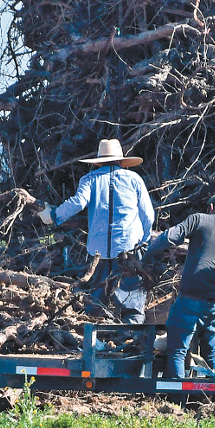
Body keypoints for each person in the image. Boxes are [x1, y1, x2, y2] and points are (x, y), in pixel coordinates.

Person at [38, 138, 156, 324]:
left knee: (96, 303)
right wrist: (144, 241)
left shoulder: (90, 179)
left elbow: (78, 202)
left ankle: (95, 344)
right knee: (131, 303)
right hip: (128, 249)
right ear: (120, 160)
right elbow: (148, 215)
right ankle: (131, 344)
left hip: (98, 253)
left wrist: (53, 215)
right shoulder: (134, 179)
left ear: (99, 161)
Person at [142, 192, 215, 379]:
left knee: (177, 350)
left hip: (190, 300)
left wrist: (147, 256)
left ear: (211, 208)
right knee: (210, 350)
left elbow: (170, 236)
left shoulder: (200, 219)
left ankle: (177, 399)